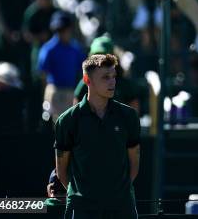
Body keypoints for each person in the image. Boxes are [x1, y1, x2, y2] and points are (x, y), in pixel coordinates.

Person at [54, 53, 140, 218]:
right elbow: (61, 172)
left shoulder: (128, 116)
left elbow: (134, 162)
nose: (112, 82)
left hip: (121, 208)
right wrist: (83, 196)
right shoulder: (67, 121)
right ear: (87, 80)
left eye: (114, 76)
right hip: (82, 210)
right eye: (105, 77)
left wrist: (117, 193)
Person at [38, 11, 86, 122]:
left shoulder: (76, 48)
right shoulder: (48, 49)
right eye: (59, 30)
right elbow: (43, 74)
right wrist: (46, 96)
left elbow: (83, 70)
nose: (62, 33)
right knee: (58, 125)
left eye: (64, 29)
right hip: (55, 91)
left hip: (72, 92)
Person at [73, 35, 140, 111]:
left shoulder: (123, 84)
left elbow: (134, 106)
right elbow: (76, 104)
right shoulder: (86, 83)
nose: (100, 63)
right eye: (96, 58)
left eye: (104, 58)